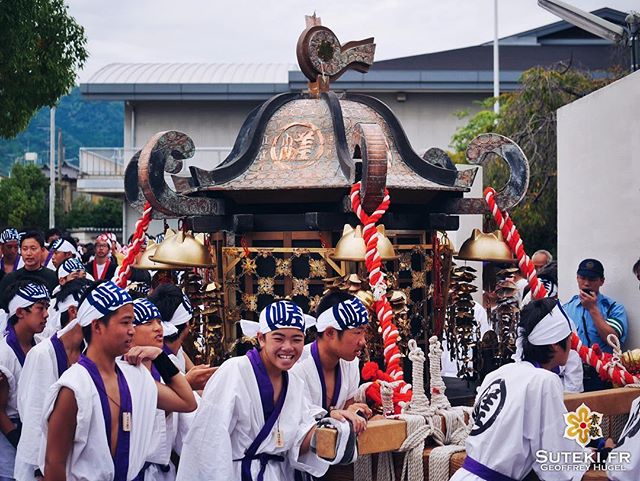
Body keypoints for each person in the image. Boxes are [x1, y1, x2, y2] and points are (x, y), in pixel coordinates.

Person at [40, 281, 196, 481]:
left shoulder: (135, 376)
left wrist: (159, 356)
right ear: (97, 325)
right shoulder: (74, 386)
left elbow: (186, 402)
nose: (131, 330)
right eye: (125, 322)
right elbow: (54, 463)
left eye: (133, 323)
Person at [176, 300, 334, 481]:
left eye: (296, 339)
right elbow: (209, 441)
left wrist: (335, 425)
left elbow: (299, 436)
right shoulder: (235, 371)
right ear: (261, 338)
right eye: (278, 338)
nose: (288, 347)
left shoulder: (295, 383)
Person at [451, 298, 589, 481]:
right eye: (569, 338)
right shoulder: (544, 380)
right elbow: (554, 456)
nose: (572, 344)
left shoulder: (499, 373)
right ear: (555, 344)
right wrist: (589, 455)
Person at [14, 280, 88, 481]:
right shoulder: (43, 354)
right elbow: (33, 415)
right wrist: (41, 471)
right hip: (39, 467)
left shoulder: (88, 351)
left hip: (70, 462)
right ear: (75, 312)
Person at [289, 291, 370, 433]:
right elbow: (295, 421)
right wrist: (332, 414)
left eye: (364, 332)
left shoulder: (351, 364)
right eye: (357, 332)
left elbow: (347, 413)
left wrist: (354, 412)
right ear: (330, 333)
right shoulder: (297, 366)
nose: (363, 341)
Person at [0, 281, 50, 480]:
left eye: (47, 307)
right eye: (40, 308)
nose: (46, 314)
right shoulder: (4, 354)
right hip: (11, 437)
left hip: (35, 432)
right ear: (20, 312)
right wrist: (20, 441)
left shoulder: (41, 345)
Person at [130, 297, 180, 480]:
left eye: (159, 321)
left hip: (163, 472)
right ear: (129, 330)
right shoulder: (120, 370)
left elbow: (189, 406)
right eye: (148, 322)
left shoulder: (166, 366)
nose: (158, 328)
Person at [563, 259, 628, 391]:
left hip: (603, 373)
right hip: (573, 373)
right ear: (577, 278)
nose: (586, 283)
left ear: (601, 281)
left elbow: (612, 340)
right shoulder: (566, 308)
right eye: (583, 278)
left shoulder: (613, 308)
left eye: (592, 279)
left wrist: (592, 309)